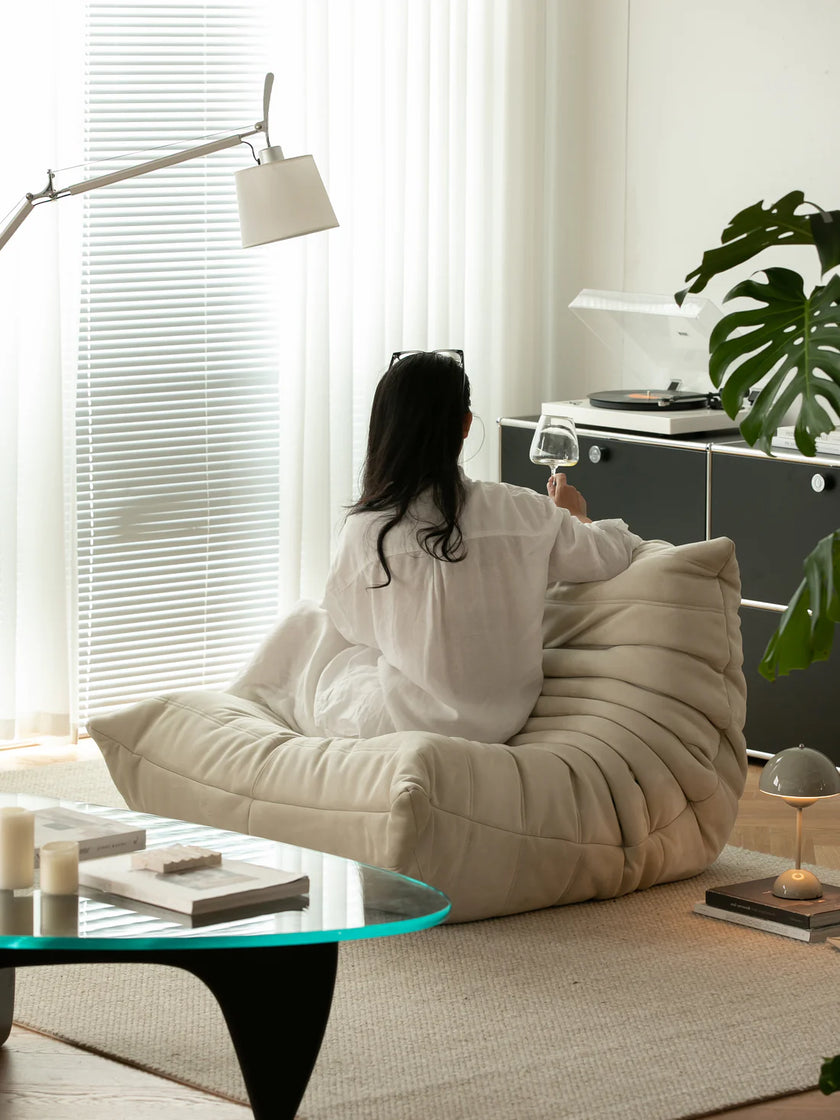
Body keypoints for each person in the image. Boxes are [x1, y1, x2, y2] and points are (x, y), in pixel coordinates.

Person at [309, 349, 643, 744]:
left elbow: (355, 627)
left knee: (309, 632)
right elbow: (611, 552)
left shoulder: (367, 530)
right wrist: (576, 517)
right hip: (504, 719)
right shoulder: (521, 509)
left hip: (408, 722)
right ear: (466, 425)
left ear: (381, 428)